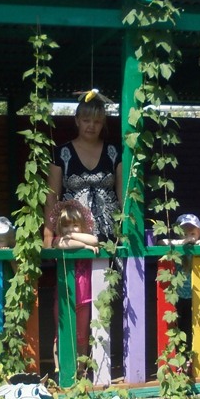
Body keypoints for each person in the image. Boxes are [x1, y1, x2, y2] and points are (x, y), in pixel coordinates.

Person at [44, 90, 123, 245]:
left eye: (97, 122)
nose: (91, 126)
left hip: (111, 236)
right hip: (72, 237)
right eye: (86, 120)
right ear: (77, 120)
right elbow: (51, 198)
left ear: (103, 123)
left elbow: (122, 195)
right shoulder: (60, 154)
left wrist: (128, 232)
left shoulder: (115, 153)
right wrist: (48, 237)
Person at [49, 199, 100, 377]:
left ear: (83, 226)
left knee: (82, 336)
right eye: (66, 226)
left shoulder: (80, 238)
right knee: (61, 333)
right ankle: (59, 369)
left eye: (75, 225)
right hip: (64, 298)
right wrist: (83, 245)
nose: (70, 229)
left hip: (84, 299)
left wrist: (75, 237)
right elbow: (63, 244)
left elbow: (94, 240)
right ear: (59, 227)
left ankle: (80, 369)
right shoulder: (57, 240)